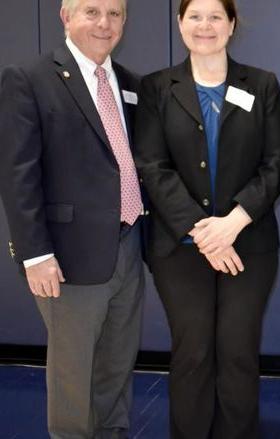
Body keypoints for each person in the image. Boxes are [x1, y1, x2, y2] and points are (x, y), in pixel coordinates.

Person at [133, 0, 280, 437]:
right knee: (193, 352)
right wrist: (203, 232)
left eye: (216, 17)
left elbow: (279, 161)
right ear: (180, 24)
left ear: (232, 25)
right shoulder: (156, 88)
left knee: (239, 352)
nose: (205, 26)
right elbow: (151, 165)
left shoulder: (262, 85)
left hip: (249, 245)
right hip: (179, 248)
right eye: (195, 17)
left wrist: (233, 223)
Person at [0, 0, 144, 437]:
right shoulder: (29, 79)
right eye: (91, 11)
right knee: (73, 376)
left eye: (115, 14)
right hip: (66, 257)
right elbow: (17, 172)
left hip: (129, 244)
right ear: (65, 17)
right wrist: (34, 254)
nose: (104, 23)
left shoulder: (131, 84)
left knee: (117, 365)